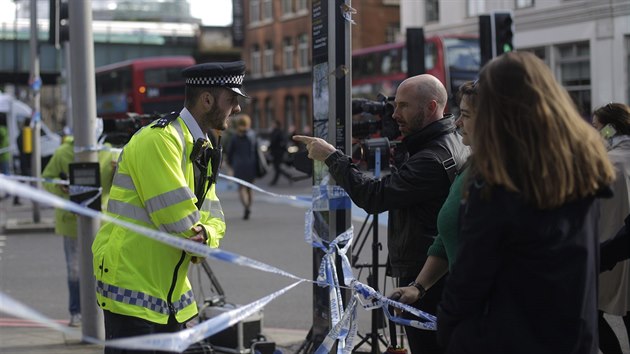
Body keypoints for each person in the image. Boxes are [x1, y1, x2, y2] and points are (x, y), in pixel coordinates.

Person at [436, 51, 615, 353]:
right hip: (572, 339)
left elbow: (469, 280)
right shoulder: (582, 169)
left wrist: (450, 332)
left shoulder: (497, 181)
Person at [293, 74, 470, 354]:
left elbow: (374, 197)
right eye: (394, 105)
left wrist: (332, 157)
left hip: (425, 274)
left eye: (403, 106)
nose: (395, 113)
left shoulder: (429, 159)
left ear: (432, 106)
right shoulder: (451, 142)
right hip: (433, 272)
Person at [92, 61, 247, 354]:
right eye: (232, 99)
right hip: (133, 289)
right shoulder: (160, 141)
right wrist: (201, 235)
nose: (237, 108)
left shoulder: (201, 145)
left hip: (169, 294)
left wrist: (207, 235)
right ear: (207, 100)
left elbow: (214, 218)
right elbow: (181, 226)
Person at [389, 81, 477, 306]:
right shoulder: (472, 166)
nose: (458, 122)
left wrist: (333, 159)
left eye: (465, 115)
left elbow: (376, 196)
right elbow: (447, 236)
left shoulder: (503, 179)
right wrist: (418, 287)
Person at [42, 119, 115, 327]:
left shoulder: (109, 154)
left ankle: (102, 312)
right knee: (74, 269)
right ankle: (76, 311)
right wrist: (61, 188)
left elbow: (118, 185)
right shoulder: (63, 152)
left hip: (102, 221)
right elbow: (47, 178)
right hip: (72, 221)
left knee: (103, 269)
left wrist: (118, 171)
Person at [591, 102, 630, 354]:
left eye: (597, 128)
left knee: (592, 314)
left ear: (611, 129)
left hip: (609, 252)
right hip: (621, 247)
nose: (595, 133)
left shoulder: (608, 163)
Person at [226, 114, 259, 220]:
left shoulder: (235, 137)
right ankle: (249, 206)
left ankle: (245, 207)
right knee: (250, 189)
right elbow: (257, 151)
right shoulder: (252, 135)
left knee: (241, 189)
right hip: (251, 164)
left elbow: (230, 152)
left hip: (239, 165)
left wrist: (230, 163)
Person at [268, 120, 293, 186]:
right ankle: (288, 176)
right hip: (275, 152)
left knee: (276, 167)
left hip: (278, 153)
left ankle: (274, 181)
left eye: (273, 124)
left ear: (276, 125)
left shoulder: (279, 132)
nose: (272, 125)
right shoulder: (275, 131)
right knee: (277, 167)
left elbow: (279, 142)